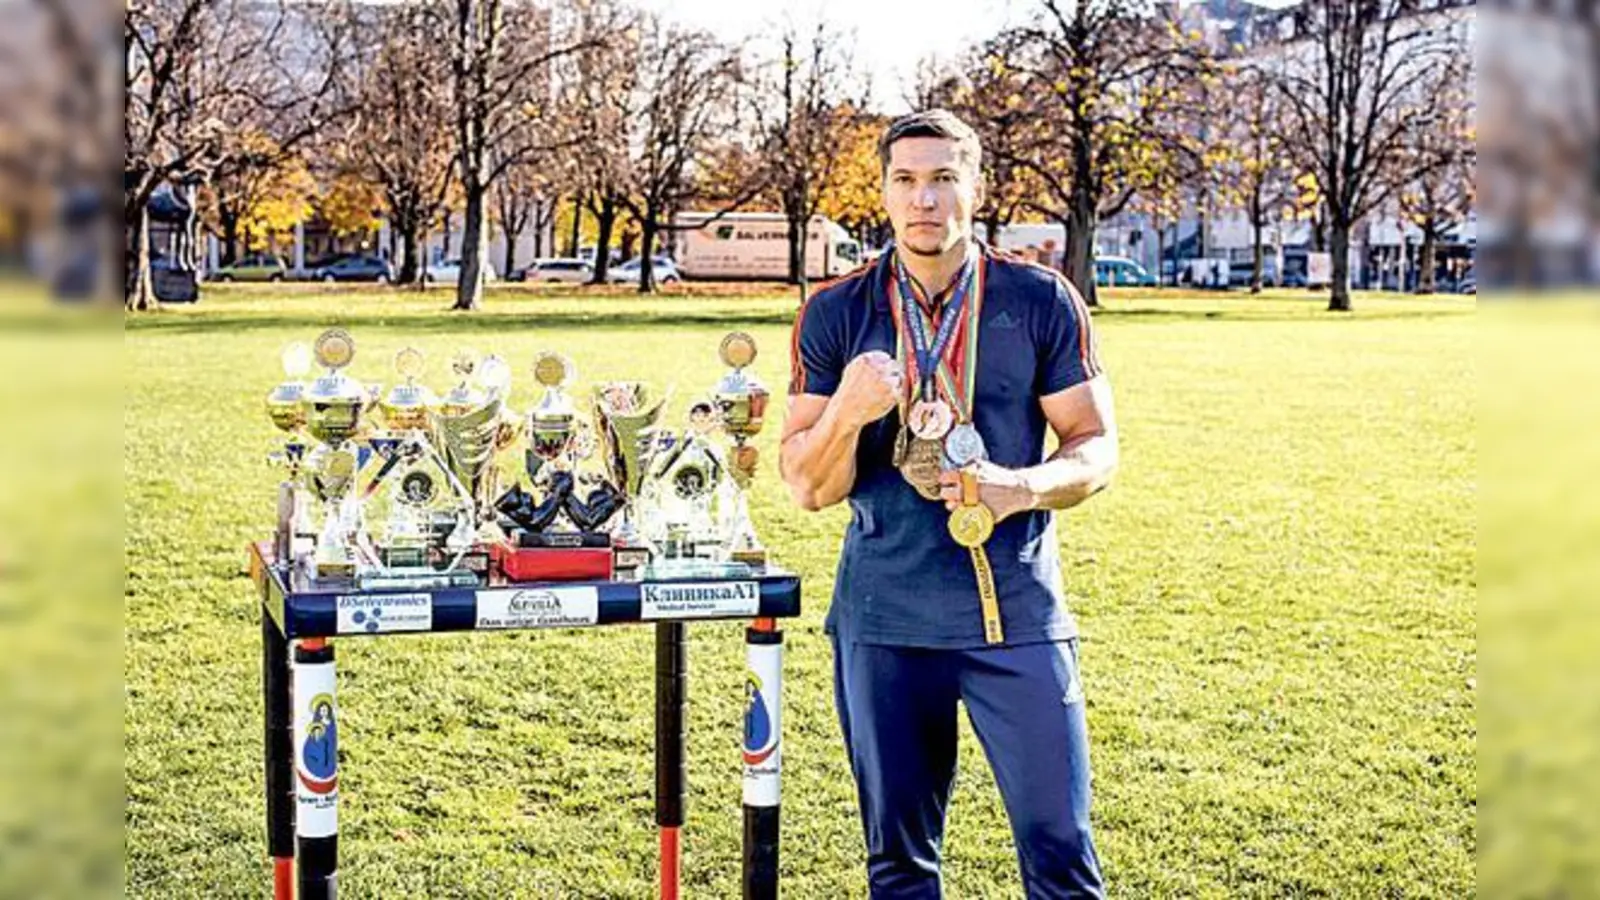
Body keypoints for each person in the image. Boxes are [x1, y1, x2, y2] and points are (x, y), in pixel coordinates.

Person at [779, 109, 1119, 899]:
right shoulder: (837, 311)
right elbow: (806, 485)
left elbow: (1097, 448)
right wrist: (847, 411)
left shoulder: (1040, 300)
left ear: (975, 187)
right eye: (905, 181)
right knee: (899, 870)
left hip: (1017, 619)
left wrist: (1021, 486)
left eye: (942, 179)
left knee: (1062, 858)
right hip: (884, 622)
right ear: (885, 192)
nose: (923, 199)